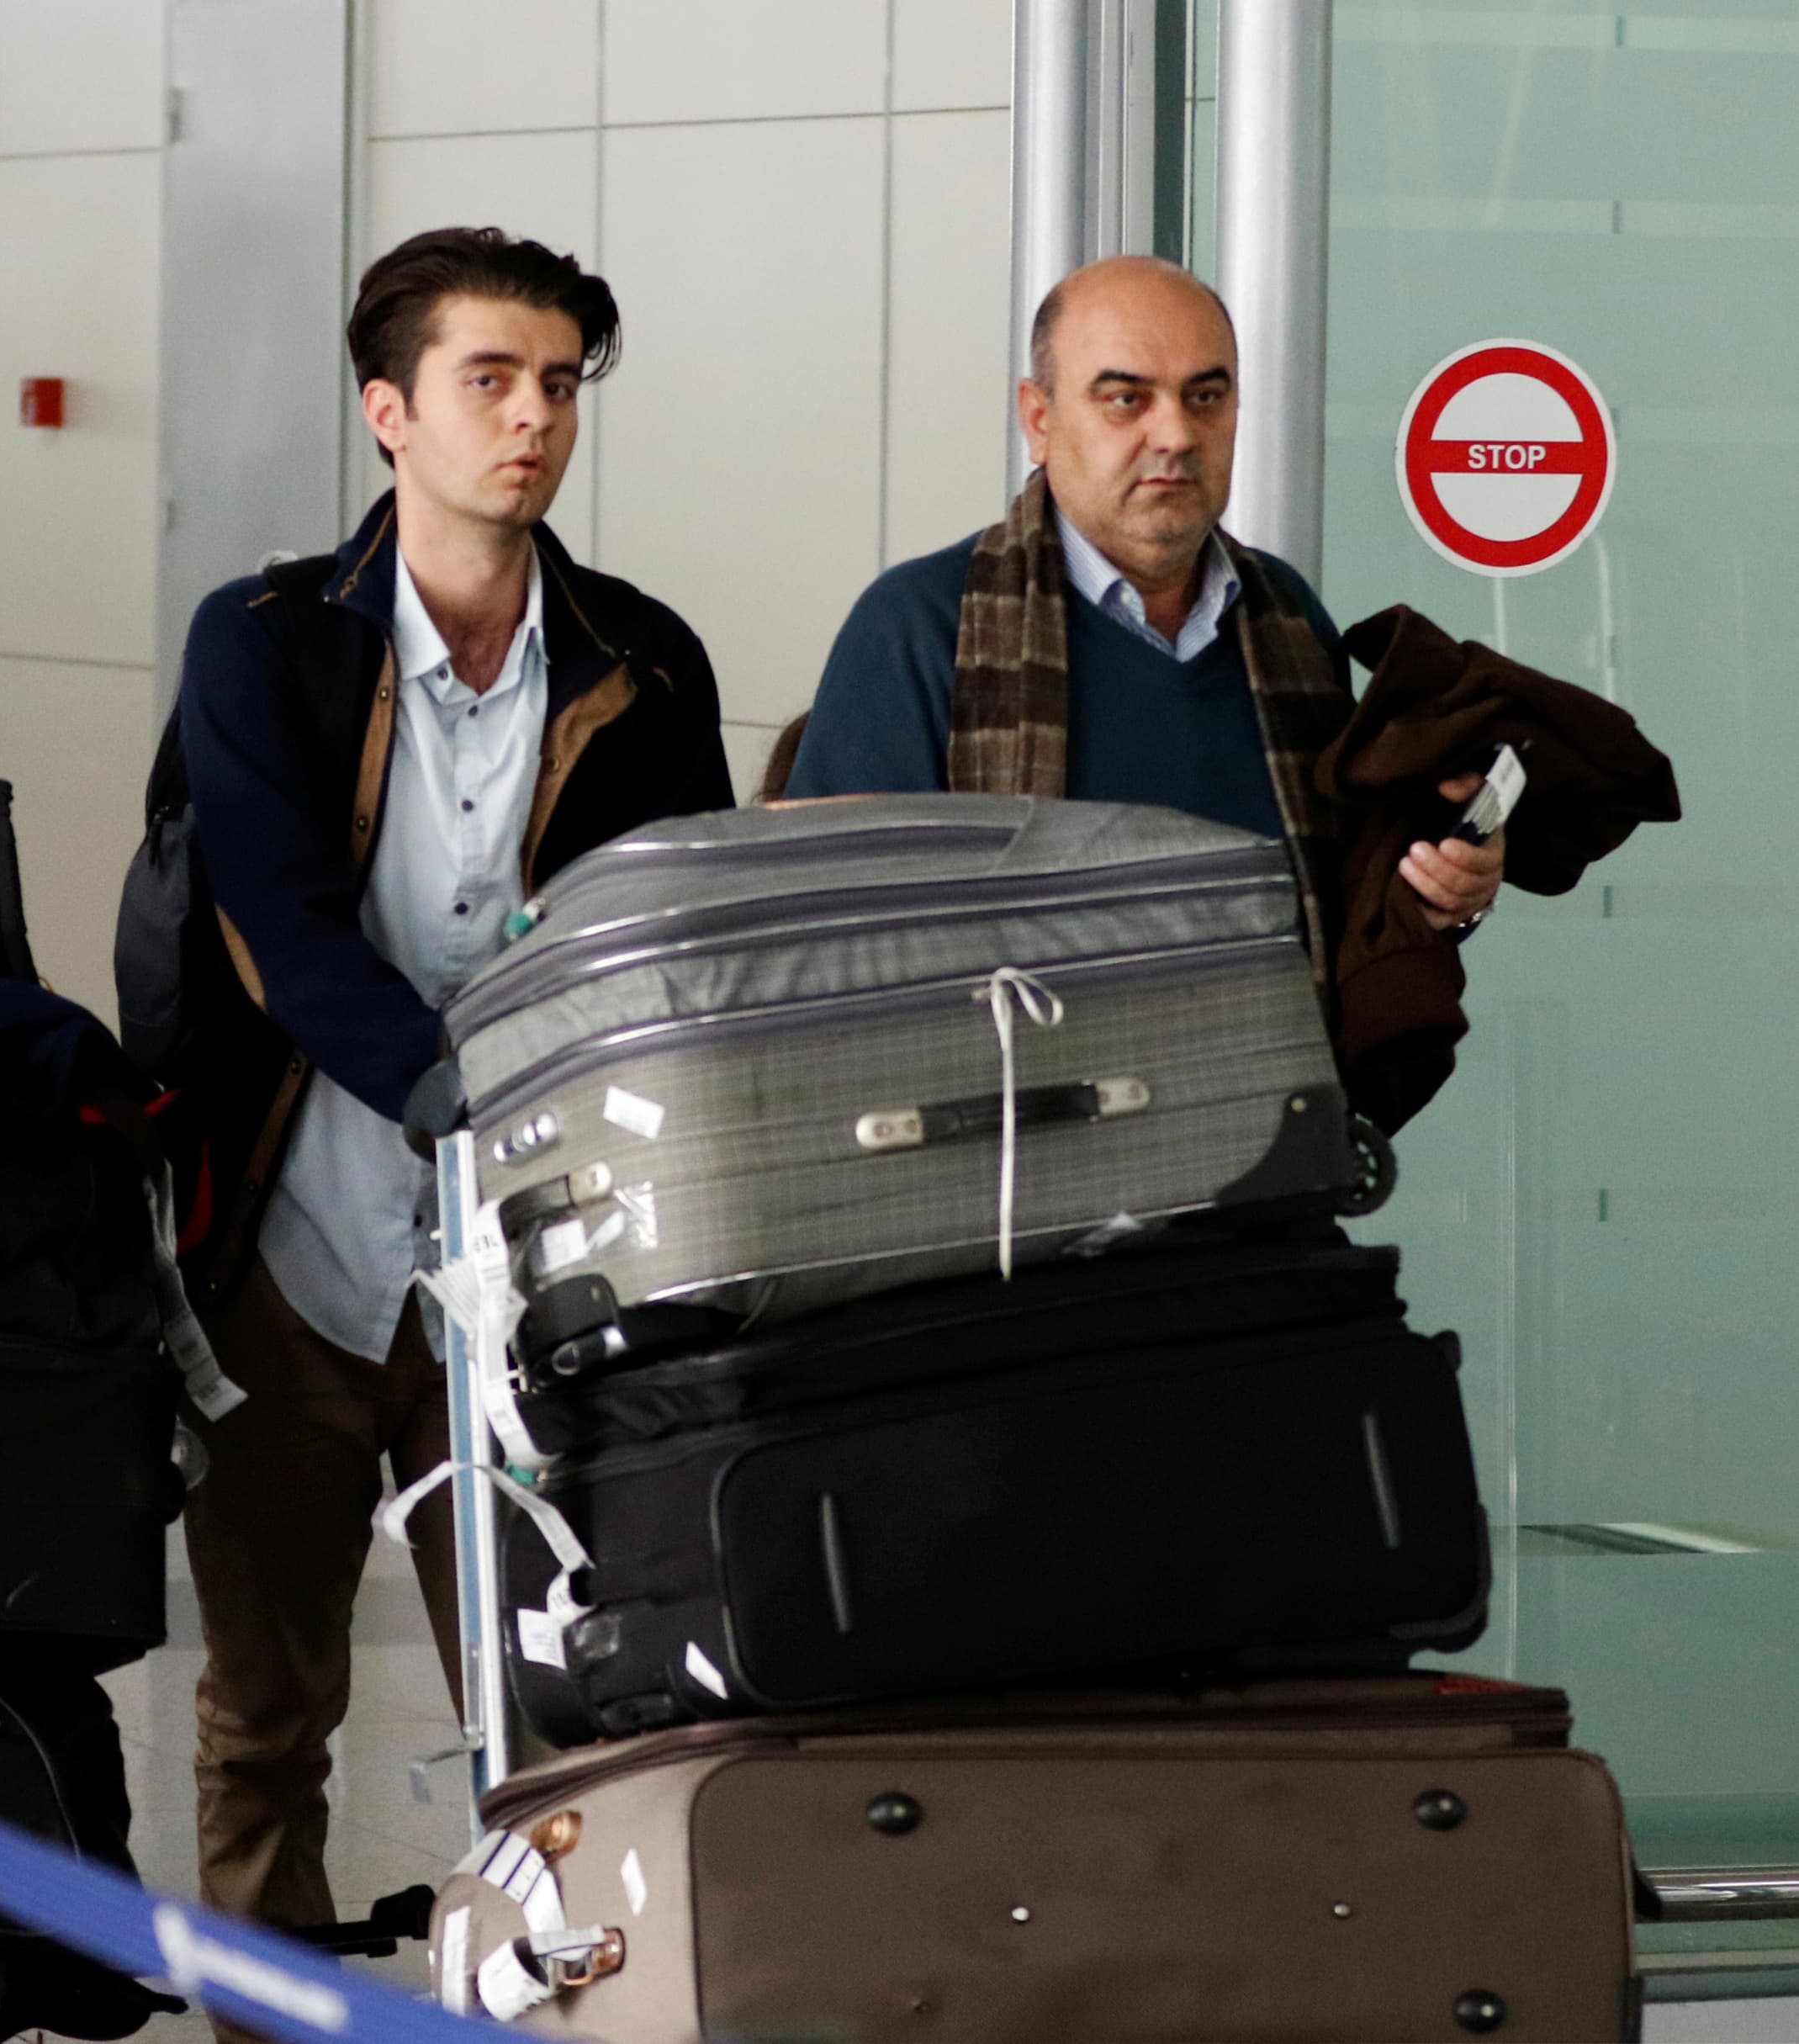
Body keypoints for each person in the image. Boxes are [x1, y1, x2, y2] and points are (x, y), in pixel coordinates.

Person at [170, 227, 733, 1962]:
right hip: (295, 1255)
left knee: (562, 1712)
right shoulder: (263, 641)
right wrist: (460, 1086)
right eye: (489, 379)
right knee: (267, 1716)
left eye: (557, 382)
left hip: (544, 1270)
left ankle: (552, 1996)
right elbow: (276, 929)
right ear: (388, 411)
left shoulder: (643, 657)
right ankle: (271, 2011)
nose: (533, 417)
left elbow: (672, 939)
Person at [780, 254, 1505, 950]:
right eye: (1126, 400)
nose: (1177, 434)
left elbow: (1351, 916)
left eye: (1205, 397)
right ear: (1038, 420)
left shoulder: (1288, 622)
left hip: (1269, 1041)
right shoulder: (922, 629)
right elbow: (825, 940)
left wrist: (1448, 892)